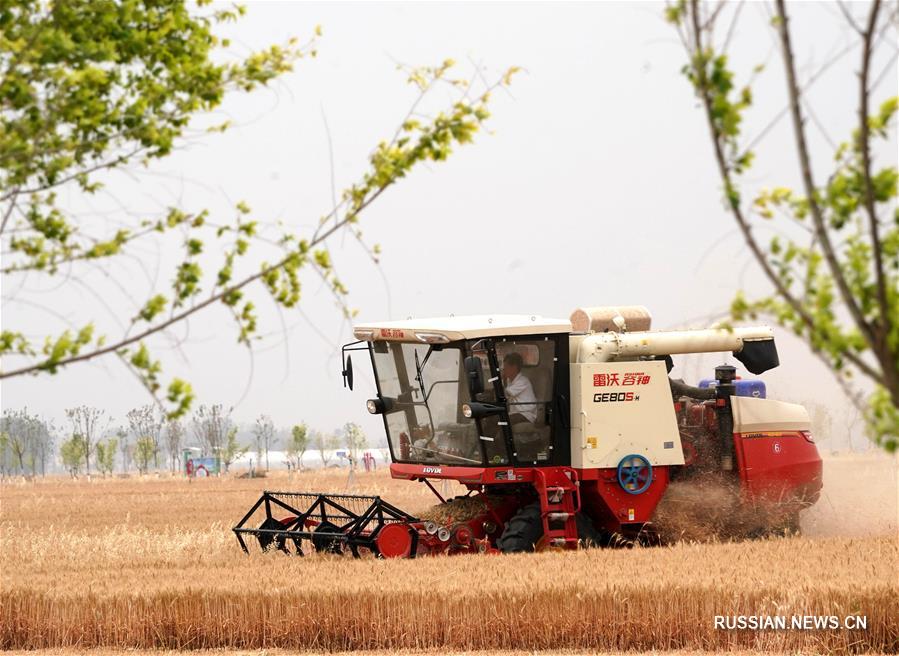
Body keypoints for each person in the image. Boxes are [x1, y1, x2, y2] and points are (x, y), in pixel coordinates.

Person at [502, 352, 538, 425]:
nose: (504, 369)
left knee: (502, 421)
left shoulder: (522, 381)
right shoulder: (510, 380)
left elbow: (505, 393)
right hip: (515, 413)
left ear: (514, 367)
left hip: (526, 414)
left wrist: (503, 379)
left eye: (506, 367)